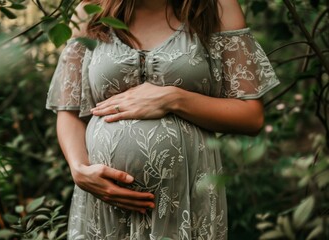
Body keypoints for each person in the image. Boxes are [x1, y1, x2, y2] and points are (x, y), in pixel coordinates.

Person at [46, 0, 280, 239]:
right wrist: (79, 169)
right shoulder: (90, 10)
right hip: (106, 204)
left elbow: (251, 116)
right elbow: (69, 110)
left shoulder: (217, 7)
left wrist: (174, 99)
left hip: (185, 199)